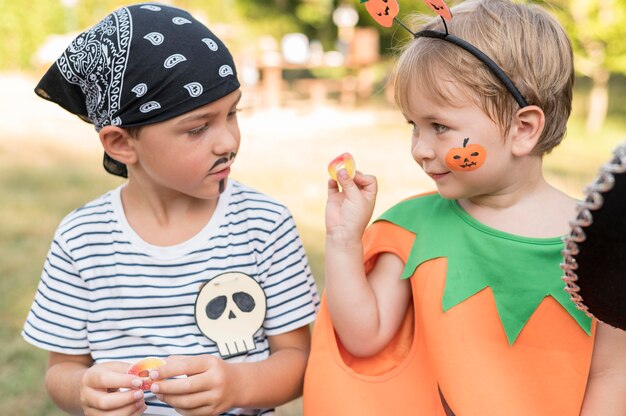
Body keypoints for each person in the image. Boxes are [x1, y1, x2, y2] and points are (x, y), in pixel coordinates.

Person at [303, 0, 626, 414]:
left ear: (522, 129)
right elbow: (363, 336)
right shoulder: (413, 229)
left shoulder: (601, 244)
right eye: (412, 126)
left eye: (439, 127)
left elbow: (612, 374)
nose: (419, 149)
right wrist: (343, 237)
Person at [21, 4, 319, 416]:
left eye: (232, 113)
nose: (227, 140)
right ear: (122, 144)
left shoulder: (264, 225)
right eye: (198, 128)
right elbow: (63, 370)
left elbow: (300, 361)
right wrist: (84, 391)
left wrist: (237, 385)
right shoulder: (82, 239)